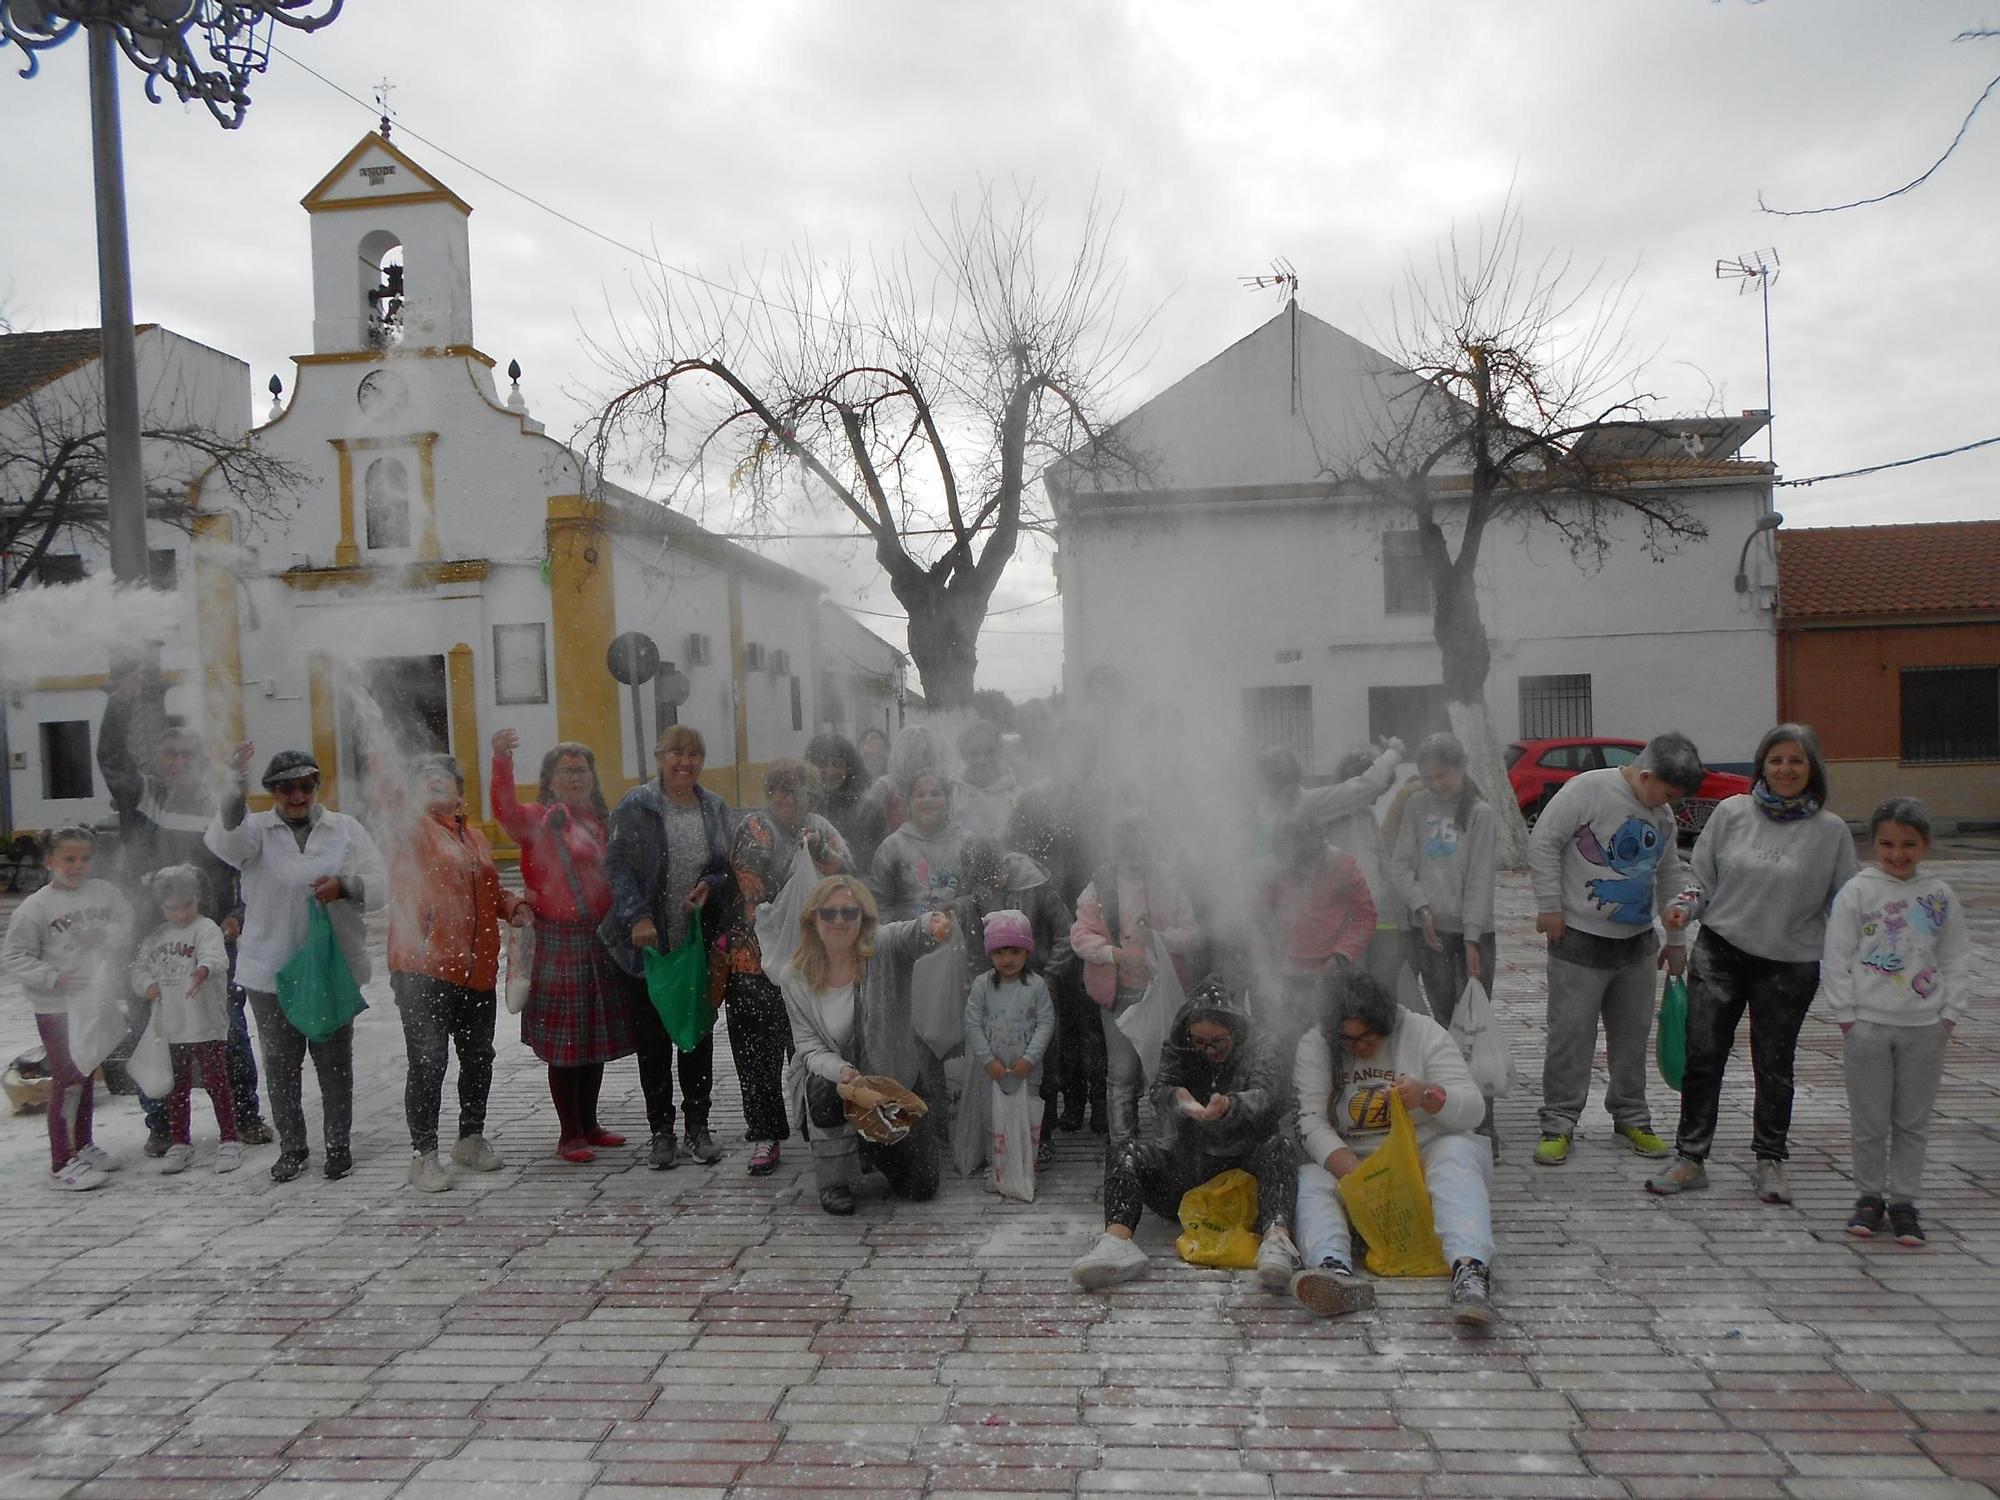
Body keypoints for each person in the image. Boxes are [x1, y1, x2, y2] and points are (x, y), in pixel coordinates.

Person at [1645, 725, 1857, 1203]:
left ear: (1812, 768)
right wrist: (1684, 908)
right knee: (1702, 1058)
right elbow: (1699, 877)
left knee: (1775, 1065)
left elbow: (1846, 903)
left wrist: (1860, 963)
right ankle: (1690, 1157)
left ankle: (1770, 1160)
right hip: (1721, 951)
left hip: (1790, 964)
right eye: (1776, 760)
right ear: (1761, 764)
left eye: (1796, 761)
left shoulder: (1831, 831)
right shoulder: (1732, 813)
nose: (1785, 770)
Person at [205, 744, 386, 1183]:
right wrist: (233, 783)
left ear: (317, 786)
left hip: (331, 968)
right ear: (271, 791)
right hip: (270, 972)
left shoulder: (345, 829)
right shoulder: (256, 833)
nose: (297, 796)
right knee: (282, 1066)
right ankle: (292, 1147)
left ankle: (338, 1144)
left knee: (333, 1063)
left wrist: (345, 885)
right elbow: (227, 837)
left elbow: (383, 886)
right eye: (286, 788)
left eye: (305, 786)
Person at [98, 706, 272, 1149]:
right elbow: (112, 761)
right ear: (159, 760)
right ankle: (160, 1126)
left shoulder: (218, 803)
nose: (177, 762)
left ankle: (245, 1117)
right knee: (152, 1031)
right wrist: (117, 703)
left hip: (211, 938)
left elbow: (244, 858)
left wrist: (237, 914)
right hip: (150, 940)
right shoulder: (144, 800)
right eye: (169, 754)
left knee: (226, 1027)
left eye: (187, 754)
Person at [1526, 731, 1702, 1167]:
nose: (1670, 804)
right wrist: (1549, 907)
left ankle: (1631, 1116)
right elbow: (1543, 842)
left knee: (1631, 1039)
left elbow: (1669, 875)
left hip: (1637, 947)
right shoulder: (1587, 789)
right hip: (1577, 942)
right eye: (1667, 793)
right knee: (1571, 1038)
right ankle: (1559, 1122)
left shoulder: (1662, 816)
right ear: (1645, 775)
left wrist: (1676, 941)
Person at [1290, 969, 1497, 1326]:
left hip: (1419, 1160)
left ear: (1387, 1022)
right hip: (1355, 1162)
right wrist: (1357, 1174)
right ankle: (1333, 1269)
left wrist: (1429, 1098)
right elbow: (1309, 1121)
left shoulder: (1423, 1032)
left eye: (1367, 1037)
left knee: (1457, 1153)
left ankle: (1470, 1271)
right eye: (1348, 1040)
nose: (1360, 1047)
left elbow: (1474, 1109)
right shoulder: (1315, 1044)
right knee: (1309, 1179)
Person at [1069, 977, 1300, 1292]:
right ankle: (1117, 1241)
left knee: (1282, 1148)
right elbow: (1160, 1089)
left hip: (1246, 1175)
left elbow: (1270, 1097)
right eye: (1199, 1042)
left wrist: (1231, 1105)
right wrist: (1179, 1098)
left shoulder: (1261, 1045)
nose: (1207, 1050)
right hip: (1191, 1170)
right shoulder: (1180, 1043)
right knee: (1124, 1151)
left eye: (1218, 1042)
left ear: (1235, 1031)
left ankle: (1277, 1241)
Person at [1823, 798, 1968, 1247]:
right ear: (1874, 844)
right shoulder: (1858, 891)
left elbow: (1955, 956)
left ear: (1924, 844)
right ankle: (1869, 1196)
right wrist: (1846, 1015)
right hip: (1867, 1026)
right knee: (1870, 1119)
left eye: (1909, 844)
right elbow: (1837, 955)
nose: (1897, 854)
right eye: (1887, 843)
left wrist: (1949, 1014)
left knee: (1911, 1120)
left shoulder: (1939, 895)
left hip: (1925, 1028)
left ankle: (1904, 1201)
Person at [386, 754, 531, 1193]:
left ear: (459, 790)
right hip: (423, 968)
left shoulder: (473, 836)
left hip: (477, 970)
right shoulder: (410, 831)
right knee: (429, 1062)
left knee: (478, 1057)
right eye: (424, 777)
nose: (434, 782)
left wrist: (512, 906)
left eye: (444, 777)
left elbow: (488, 888)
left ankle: (469, 1137)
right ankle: (423, 1153)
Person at [490, 729, 634, 1163]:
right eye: (566, 770)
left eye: (582, 769)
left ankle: (589, 1123)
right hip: (559, 939)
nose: (575, 777)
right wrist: (501, 759)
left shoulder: (601, 822)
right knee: (568, 1045)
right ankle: (569, 1132)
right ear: (550, 780)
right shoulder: (537, 817)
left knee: (592, 1038)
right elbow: (505, 810)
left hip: (599, 939)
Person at [602, 725, 735, 1170]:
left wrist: (708, 886)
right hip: (650, 945)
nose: (687, 762)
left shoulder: (714, 807)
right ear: (660, 757)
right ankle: (661, 1131)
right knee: (654, 1041)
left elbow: (723, 868)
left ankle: (699, 1127)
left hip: (694, 944)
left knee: (696, 1035)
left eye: (695, 754)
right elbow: (616, 866)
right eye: (677, 752)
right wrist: (637, 915)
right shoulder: (637, 805)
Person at [779, 875, 952, 1214]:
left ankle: (869, 1144)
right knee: (821, 1089)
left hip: (890, 1083)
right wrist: (842, 1071)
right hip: (834, 1082)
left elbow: (911, 934)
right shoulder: (793, 976)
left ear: (864, 917)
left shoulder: (883, 946)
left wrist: (932, 924)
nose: (839, 920)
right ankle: (834, 1181)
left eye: (849, 912)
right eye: (828, 913)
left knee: (922, 1186)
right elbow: (809, 1048)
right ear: (813, 918)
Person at [722, 760, 850, 1177]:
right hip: (752, 959)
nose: (788, 799)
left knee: (811, 1048)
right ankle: (765, 1133)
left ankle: (815, 1120)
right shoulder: (753, 828)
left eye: (797, 791)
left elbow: (846, 876)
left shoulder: (822, 829)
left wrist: (818, 851)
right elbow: (753, 884)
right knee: (757, 1053)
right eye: (780, 789)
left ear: (811, 796)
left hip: (810, 963)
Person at [1, 826, 133, 1190]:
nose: (78, 866)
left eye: (85, 858)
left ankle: (84, 1142)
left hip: (95, 998)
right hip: (57, 1006)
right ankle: (62, 1160)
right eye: (69, 859)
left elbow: (126, 921)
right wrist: (53, 977)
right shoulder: (36, 908)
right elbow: (15, 956)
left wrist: (106, 936)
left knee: (86, 1068)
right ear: (49, 861)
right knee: (67, 1078)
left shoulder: (104, 892)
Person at [1070, 814, 1196, 1144]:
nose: (1136, 852)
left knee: (1163, 1071)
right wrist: (1116, 954)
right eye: (1128, 845)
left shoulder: (1168, 879)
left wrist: (1159, 938)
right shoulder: (1101, 884)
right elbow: (1080, 936)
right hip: (1118, 992)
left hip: (1161, 993)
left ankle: (1167, 1147)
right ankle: (1123, 1148)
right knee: (1122, 1073)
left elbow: (1190, 932)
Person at [955, 838, 1074, 1136]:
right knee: (999, 1060)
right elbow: (973, 946)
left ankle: (1042, 1135)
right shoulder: (976, 891)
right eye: (986, 882)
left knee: (1043, 1061)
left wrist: (1051, 976)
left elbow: (1065, 931)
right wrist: (979, 990)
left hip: (1038, 986)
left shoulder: (1033, 883)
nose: (993, 885)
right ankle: (1004, 1136)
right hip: (995, 990)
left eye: (995, 877)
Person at [129, 865, 239, 1175]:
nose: (180, 914)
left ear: (198, 899)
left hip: (205, 1022)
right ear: (161, 906)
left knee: (217, 1081)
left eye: (186, 905)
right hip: (171, 1024)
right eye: (171, 908)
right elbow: (139, 969)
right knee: (176, 1086)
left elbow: (217, 958)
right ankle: (180, 1141)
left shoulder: (206, 928)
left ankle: (229, 1138)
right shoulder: (156, 936)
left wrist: (202, 971)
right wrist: (147, 986)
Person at [1390, 733, 1500, 1028]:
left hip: (1474, 935)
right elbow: (1400, 865)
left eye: (1442, 776)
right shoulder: (1416, 805)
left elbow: (1480, 881)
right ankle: (1445, 1073)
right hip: (1431, 932)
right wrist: (1421, 908)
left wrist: (1472, 939)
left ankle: (1470, 1075)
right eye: (1427, 778)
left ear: (1461, 767)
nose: (1436, 785)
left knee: (1473, 1021)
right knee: (1442, 1018)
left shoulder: (1481, 814)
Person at [1259, 816, 1376, 1066]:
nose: (1299, 870)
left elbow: (1364, 916)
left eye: (1305, 862)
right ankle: (1291, 1089)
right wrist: (1268, 955)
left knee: (1331, 1034)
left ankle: (1333, 1086)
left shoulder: (1344, 866)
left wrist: (1342, 953)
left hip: (1331, 968)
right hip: (1287, 969)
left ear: (1319, 847)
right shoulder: (1274, 869)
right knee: (1287, 1035)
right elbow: (1262, 917)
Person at [964, 908, 1057, 1182]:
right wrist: (988, 1061)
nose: (1007, 959)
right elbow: (972, 1024)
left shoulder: (1037, 986)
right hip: (990, 1070)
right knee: (994, 1121)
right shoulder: (982, 986)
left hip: (1027, 1070)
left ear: (1027, 952)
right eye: (1000, 952)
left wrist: (1029, 1059)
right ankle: (999, 1167)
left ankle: (1027, 1163)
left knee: (1027, 1118)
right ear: (990, 953)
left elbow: (1045, 1023)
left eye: (1015, 951)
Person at [870, 768, 967, 921]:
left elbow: (980, 897)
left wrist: (959, 908)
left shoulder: (966, 842)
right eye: (920, 795)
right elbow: (880, 906)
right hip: (907, 937)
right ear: (909, 804)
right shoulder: (892, 847)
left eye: (935, 794)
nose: (928, 800)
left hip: (959, 935)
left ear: (949, 802)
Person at [804, 733, 876, 872]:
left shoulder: (868, 809)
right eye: (822, 764)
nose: (830, 771)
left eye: (837, 765)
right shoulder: (802, 806)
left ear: (850, 768)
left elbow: (871, 866)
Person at [952, 719, 1019, 844]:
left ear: (1000, 752)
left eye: (989, 752)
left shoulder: (1014, 793)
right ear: (963, 755)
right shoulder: (952, 793)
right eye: (974, 753)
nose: (982, 761)